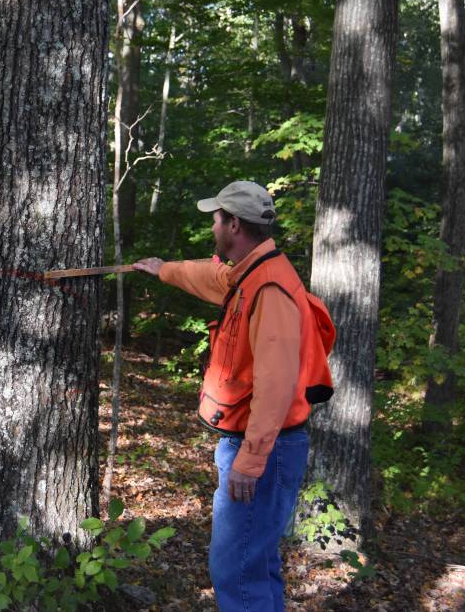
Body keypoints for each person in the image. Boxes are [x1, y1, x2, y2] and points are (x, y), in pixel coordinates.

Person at [134, 181, 317, 612]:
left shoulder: (269, 289)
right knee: (255, 565)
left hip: (265, 451)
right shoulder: (251, 274)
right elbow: (211, 277)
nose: (212, 227)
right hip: (262, 446)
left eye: (216, 219)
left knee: (235, 570)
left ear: (234, 224)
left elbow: (276, 384)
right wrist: (163, 269)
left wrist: (250, 462)